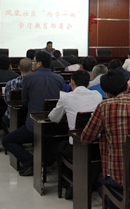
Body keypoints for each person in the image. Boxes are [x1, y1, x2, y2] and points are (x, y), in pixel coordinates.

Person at [81, 69, 130, 199]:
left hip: (119, 179)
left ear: (106, 92)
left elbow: (86, 138)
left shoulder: (104, 106)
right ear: (126, 85)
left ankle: (116, 203)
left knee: (98, 180)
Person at [2, 51, 64, 176]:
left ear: (39, 63)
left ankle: (31, 162)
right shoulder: (59, 78)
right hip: (55, 124)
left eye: (34, 61)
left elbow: (25, 101)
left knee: (7, 141)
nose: (32, 64)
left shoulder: (28, 78)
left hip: (34, 125)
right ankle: (47, 161)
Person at [48, 70, 102, 200]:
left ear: (72, 82)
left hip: (76, 147)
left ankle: (69, 183)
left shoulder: (66, 97)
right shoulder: (97, 95)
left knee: (59, 146)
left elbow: (53, 118)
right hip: (96, 145)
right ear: (88, 83)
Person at [2, 58, 32, 129]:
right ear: (32, 68)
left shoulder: (11, 83)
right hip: (31, 115)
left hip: (13, 115)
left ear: (19, 67)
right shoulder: (36, 83)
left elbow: (7, 101)